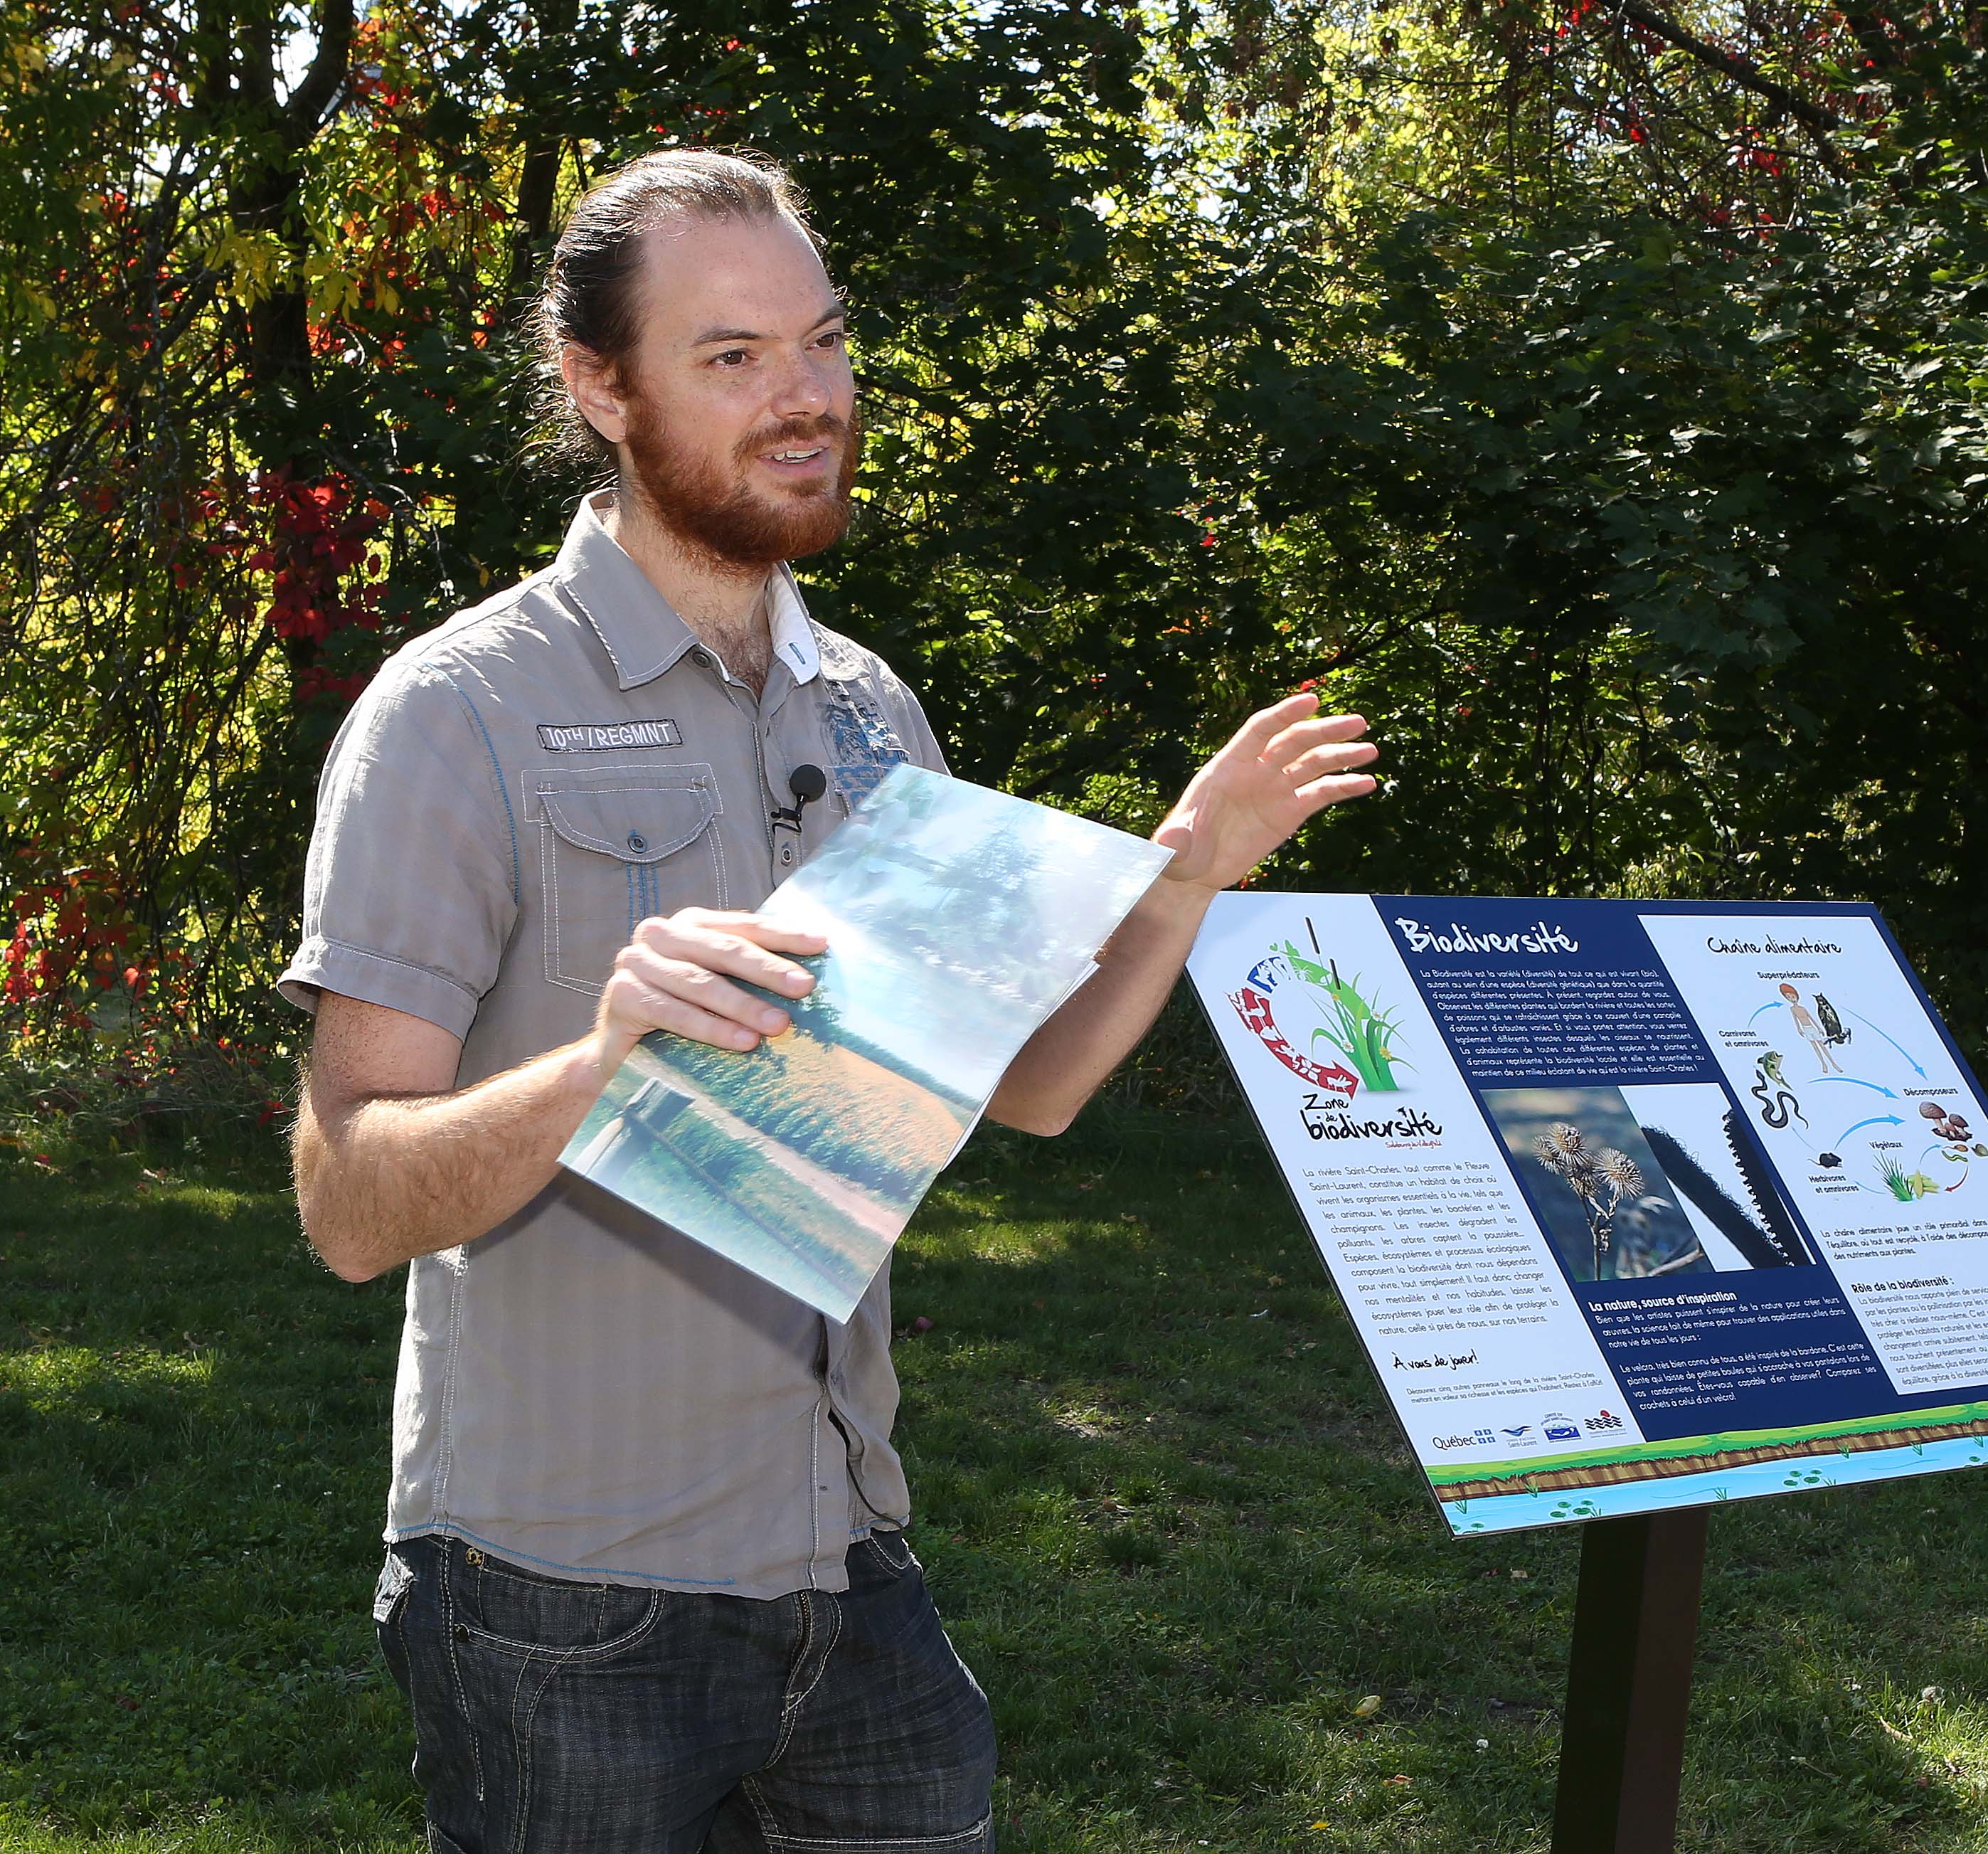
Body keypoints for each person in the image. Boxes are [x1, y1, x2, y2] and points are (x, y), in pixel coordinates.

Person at [283, 148, 1379, 1853]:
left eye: (825, 340)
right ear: (599, 386)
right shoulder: (456, 714)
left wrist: (1181, 868)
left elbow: (1027, 1085)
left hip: (848, 1557)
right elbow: (350, 1200)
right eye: (732, 357)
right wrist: (604, 1061)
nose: (805, 398)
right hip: (560, 1594)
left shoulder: (866, 705)